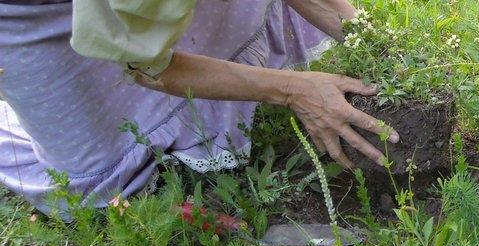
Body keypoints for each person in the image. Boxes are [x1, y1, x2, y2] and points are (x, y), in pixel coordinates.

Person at [0, 0, 399, 214]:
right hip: (27, 12)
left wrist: (384, 44)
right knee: (95, 178)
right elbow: (148, 66)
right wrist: (294, 90)